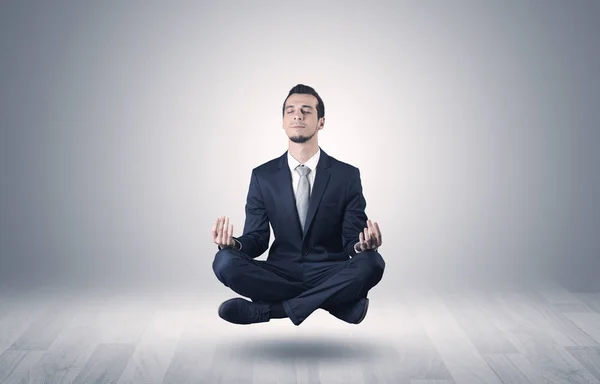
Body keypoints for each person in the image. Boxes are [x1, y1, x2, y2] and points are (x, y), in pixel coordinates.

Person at [211, 84, 385, 326]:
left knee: (372, 263)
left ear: (321, 122)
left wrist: (361, 246)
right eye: (290, 110)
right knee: (224, 262)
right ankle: (336, 303)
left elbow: (350, 241)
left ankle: (271, 311)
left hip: (329, 269)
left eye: (306, 110)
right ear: (283, 122)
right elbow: (258, 238)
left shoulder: (346, 175)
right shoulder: (263, 176)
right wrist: (234, 244)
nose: (297, 115)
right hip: (280, 272)